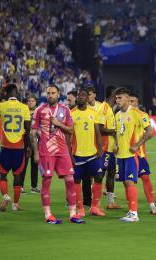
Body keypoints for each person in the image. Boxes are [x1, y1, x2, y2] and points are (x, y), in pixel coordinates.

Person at [31, 84, 83, 224]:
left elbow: (71, 130)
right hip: (46, 151)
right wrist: (36, 153)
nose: (50, 95)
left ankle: (73, 214)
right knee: (46, 181)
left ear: (59, 94)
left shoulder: (65, 110)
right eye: (48, 93)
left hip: (62, 150)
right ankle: (48, 215)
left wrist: (58, 123)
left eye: (53, 93)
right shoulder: (39, 110)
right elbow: (33, 133)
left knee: (70, 180)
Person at [114, 87, 152, 222]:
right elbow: (118, 133)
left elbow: (149, 131)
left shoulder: (137, 113)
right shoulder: (117, 115)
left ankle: (134, 214)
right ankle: (130, 211)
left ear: (127, 98)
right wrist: (116, 144)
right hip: (120, 155)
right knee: (125, 182)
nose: (117, 100)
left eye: (120, 98)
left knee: (130, 182)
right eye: (116, 98)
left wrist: (137, 145)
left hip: (132, 155)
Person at [71, 88, 105, 218]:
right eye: (78, 95)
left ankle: (94, 207)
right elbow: (69, 135)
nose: (80, 97)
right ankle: (80, 208)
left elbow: (97, 131)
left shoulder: (94, 112)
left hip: (92, 153)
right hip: (77, 154)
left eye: (83, 95)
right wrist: (70, 153)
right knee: (77, 180)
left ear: (87, 98)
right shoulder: (71, 113)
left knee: (99, 177)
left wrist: (100, 147)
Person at [0, 84, 31, 212]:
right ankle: (15, 205)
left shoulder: (1, 106)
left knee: (3, 174)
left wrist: (0, 98)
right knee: (17, 175)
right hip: (19, 147)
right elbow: (27, 129)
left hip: (5, 146)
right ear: (16, 93)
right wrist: (28, 148)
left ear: (6, 93)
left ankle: (5, 195)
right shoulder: (24, 108)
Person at [128, 92, 156, 215]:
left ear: (138, 103)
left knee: (145, 178)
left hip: (139, 154)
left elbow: (150, 133)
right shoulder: (122, 115)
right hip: (126, 154)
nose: (131, 103)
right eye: (129, 101)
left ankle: (152, 206)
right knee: (129, 182)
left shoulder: (142, 115)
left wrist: (138, 144)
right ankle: (131, 208)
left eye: (133, 101)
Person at [98, 85, 121, 209]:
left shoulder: (111, 109)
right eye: (116, 96)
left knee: (111, 174)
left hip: (111, 149)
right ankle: (95, 203)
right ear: (111, 95)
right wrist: (113, 131)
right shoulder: (104, 108)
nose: (117, 99)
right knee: (100, 175)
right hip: (104, 148)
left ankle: (111, 202)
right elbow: (100, 128)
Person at [20, 94, 39, 194]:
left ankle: (34, 186)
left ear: (36, 102)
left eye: (32, 101)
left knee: (35, 164)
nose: (31, 103)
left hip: (36, 141)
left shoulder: (39, 111)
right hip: (26, 140)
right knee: (24, 164)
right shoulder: (24, 111)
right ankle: (21, 186)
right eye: (29, 101)